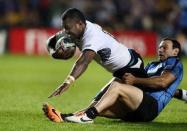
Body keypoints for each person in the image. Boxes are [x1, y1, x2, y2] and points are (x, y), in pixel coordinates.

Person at [43, 37, 183, 123]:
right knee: (104, 102)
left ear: (175, 51)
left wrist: (134, 80)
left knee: (117, 86)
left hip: (150, 107)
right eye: (159, 47)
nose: (161, 49)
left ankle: (88, 117)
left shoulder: (175, 63)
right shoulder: (153, 64)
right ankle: (64, 117)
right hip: (135, 109)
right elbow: (147, 82)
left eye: (165, 47)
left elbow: (163, 82)